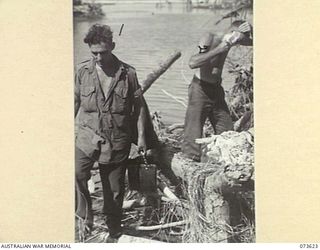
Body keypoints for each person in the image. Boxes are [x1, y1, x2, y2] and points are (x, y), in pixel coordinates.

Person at [74, 24, 148, 242]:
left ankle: (114, 230)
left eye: (103, 52)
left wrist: (142, 137)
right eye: (93, 52)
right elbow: (75, 101)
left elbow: (140, 107)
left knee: (114, 190)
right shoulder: (82, 72)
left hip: (117, 140)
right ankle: (84, 217)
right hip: (87, 136)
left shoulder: (129, 74)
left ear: (113, 46)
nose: (98, 57)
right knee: (77, 173)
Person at [182, 20, 253, 162]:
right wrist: (219, 49)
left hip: (216, 90)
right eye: (237, 39)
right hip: (200, 89)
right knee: (193, 133)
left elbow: (254, 42)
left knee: (227, 132)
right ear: (232, 32)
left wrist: (252, 30)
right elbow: (193, 62)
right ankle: (189, 166)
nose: (237, 44)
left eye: (239, 40)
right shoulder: (210, 37)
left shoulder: (233, 39)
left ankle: (222, 164)